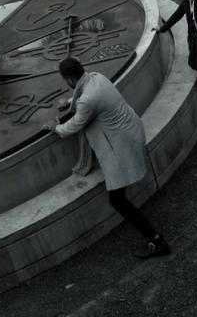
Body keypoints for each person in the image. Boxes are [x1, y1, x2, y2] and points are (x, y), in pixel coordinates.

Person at [43, 57, 170, 259]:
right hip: (130, 130)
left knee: (117, 200)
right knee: (119, 196)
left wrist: (55, 127)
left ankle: (156, 240)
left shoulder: (87, 100)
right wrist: (69, 102)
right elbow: (85, 102)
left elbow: (75, 124)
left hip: (123, 145)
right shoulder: (97, 77)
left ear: (69, 80)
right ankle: (155, 238)